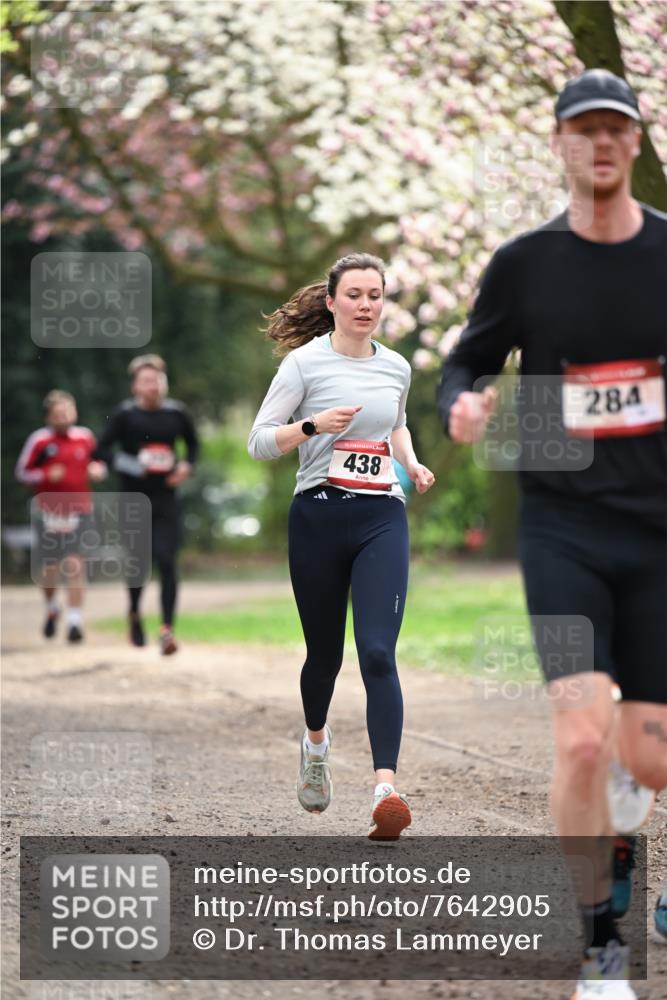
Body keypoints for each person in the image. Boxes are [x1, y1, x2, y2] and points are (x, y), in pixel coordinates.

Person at [437, 70, 666, 999]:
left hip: (660, 533)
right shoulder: (525, 262)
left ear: (635, 143)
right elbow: (464, 357)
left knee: (646, 750)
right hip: (563, 527)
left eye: (617, 129)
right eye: (585, 130)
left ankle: (633, 774)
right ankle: (599, 947)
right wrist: (460, 402)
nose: (601, 144)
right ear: (560, 143)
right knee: (577, 739)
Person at [248, 252, 435, 839]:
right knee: (324, 656)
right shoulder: (304, 366)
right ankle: (316, 744)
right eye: (354, 294)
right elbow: (259, 441)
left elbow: (395, 423)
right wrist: (310, 427)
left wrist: (411, 460)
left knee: (378, 653)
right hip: (319, 517)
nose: (365, 305)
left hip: (382, 514)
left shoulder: (398, 367)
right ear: (331, 302)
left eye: (375, 295)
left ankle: (386, 790)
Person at [92, 355, 199, 655]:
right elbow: (100, 449)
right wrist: (129, 464)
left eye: (157, 380)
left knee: (166, 559)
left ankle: (167, 629)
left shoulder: (178, 414)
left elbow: (193, 444)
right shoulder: (125, 415)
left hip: (167, 497)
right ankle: (135, 613)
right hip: (133, 498)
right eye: (146, 381)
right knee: (138, 563)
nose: (153, 386)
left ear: (164, 383)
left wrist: (186, 467)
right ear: (135, 386)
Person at [16, 390, 106, 642]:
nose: (64, 417)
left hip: (80, 510)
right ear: (49, 417)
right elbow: (22, 473)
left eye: (68, 411)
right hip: (49, 511)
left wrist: (98, 470)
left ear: (75, 412)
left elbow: (100, 463)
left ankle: (75, 621)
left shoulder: (85, 438)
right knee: (51, 567)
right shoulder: (40, 442)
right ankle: (52, 607)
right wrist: (45, 475)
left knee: (76, 564)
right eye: (58, 413)